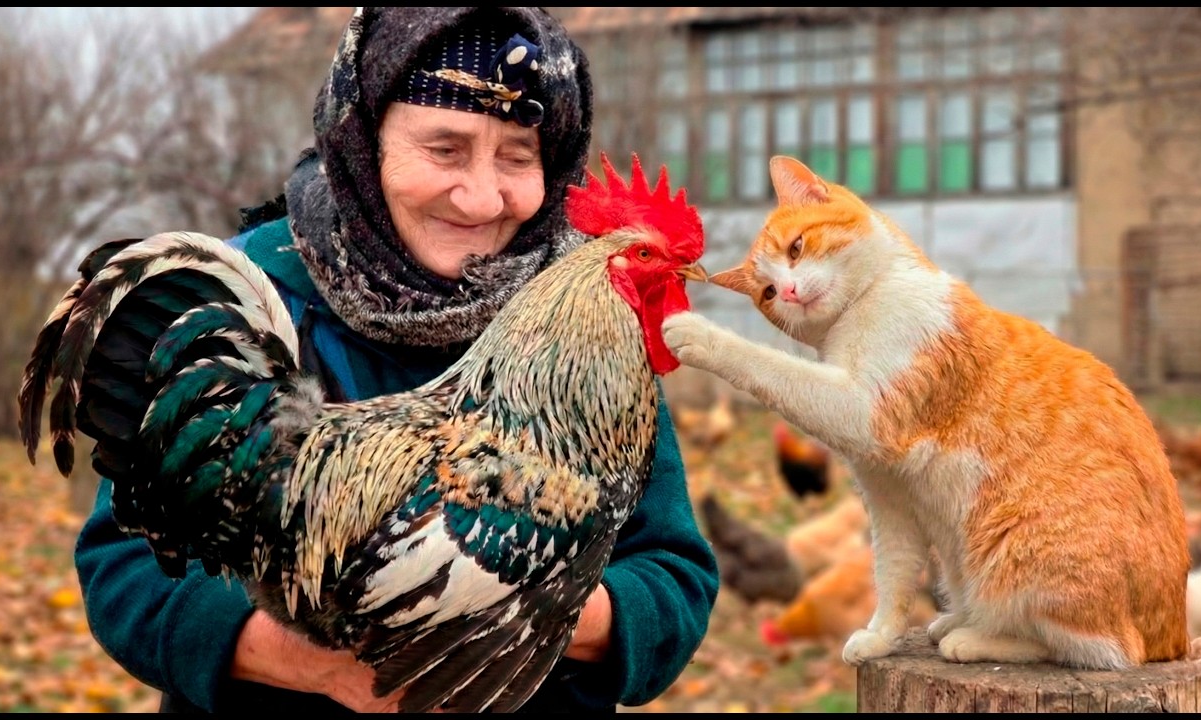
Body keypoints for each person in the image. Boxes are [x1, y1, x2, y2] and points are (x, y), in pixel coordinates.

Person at [73, 6, 719, 714]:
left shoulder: (588, 320)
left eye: (516, 155)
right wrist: (321, 667)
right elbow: (125, 573)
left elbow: (672, 578)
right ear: (365, 141)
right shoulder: (259, 290)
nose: (480, 196)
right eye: (445, 148)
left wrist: (539, 602)